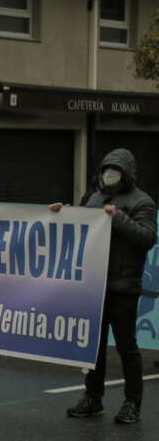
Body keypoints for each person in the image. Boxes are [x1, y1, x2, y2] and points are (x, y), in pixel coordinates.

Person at [52, 148, 157, 424]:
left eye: (116, 170)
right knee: (93, 346)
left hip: (123, 285)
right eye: (107, 169)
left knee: (126, 347)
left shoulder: (142, 202)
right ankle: (92, 397)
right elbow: (80, 227)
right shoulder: (95, 197)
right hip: (94, 285)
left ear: (127, 174)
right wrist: (62, 214)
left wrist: (118, 217)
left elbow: (147, 237)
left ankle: (132, 402)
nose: (110, 174)